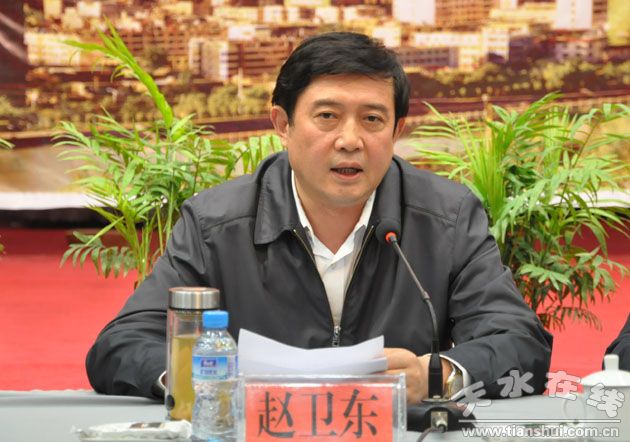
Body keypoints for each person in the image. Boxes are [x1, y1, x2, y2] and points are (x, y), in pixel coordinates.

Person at [86, 32, 552, 404]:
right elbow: (123, 344)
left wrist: (435, 376)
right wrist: (204, 380)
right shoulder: (214, 223)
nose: (350, 140)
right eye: (327, 116)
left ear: (397, 130)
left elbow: (518, 341)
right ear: (282, 124)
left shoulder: (447, 217)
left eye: (372, 120)